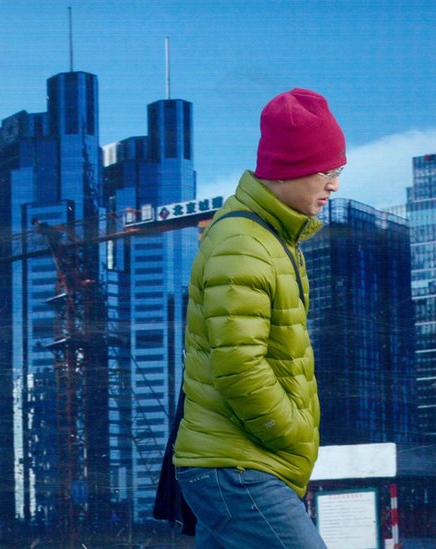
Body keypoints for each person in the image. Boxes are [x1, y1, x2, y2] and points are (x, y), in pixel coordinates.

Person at [173, 88, 345, 548]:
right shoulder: (245, 243)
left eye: (339, 172)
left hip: (235, 461)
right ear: (291, 167)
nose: (334, 184)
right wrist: (291, 433)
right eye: (326, 171)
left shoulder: (271, 239)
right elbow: (240, 366)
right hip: (238, 466)